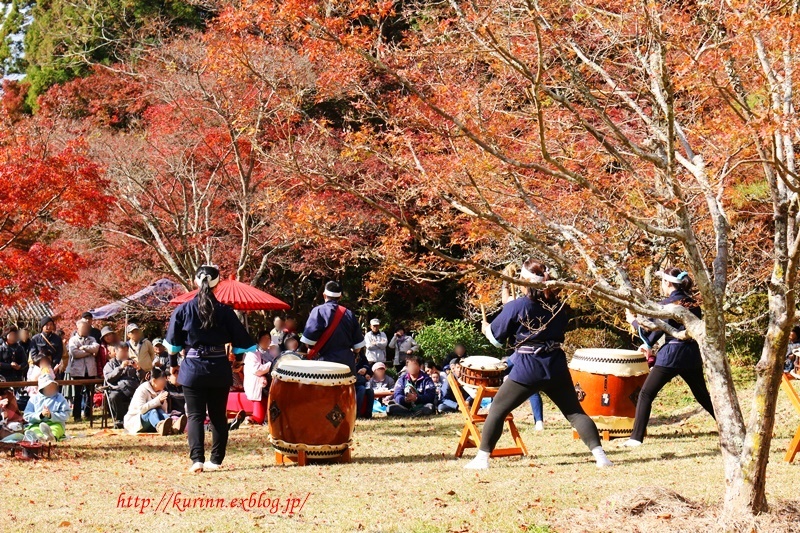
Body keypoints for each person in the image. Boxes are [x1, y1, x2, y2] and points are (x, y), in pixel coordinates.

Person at [466, 259, 612, 469]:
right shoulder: (559, 307)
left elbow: (497, 340)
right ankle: (601, 457)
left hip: (528, 366)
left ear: (525, 281)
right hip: (556, 364)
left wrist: (486, 328)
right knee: (575, 412)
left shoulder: (517, 306)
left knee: (497, 408)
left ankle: (481, 459)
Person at [165, 265, 256, 473]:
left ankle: (196, 459)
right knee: (217, 415)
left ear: (195, 282)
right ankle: (216, 460)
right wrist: (239, 360)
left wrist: (173, 367)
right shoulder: (225, 311)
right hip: (218, 368)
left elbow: (172, 345)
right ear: (218, 284)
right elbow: (241, 341)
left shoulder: (183, 310)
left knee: (195, 415)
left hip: (192, 368)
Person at [623, 268, 716, 448]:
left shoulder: (668, 304)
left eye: (662, 282)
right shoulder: (693, 304)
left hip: (672, 355)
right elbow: (664, 327)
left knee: (646, 394)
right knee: (702, 395)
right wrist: (648, 345)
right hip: (692, 355)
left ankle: (635, 438)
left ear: (667, 283)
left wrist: (633, 321)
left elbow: (653, 327)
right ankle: (726, 424)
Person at [300, 281, 366, 373]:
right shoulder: (349, 314)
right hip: (346, 365)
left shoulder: (318, 311)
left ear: (324, 295)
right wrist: (353, 355)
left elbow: (308, 342)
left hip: (324, 364)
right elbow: (358, 347)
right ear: (340, 297)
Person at [124, 367, 186, 435]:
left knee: (159, 410)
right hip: (136, 422)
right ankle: (160, 426)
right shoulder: (142, 389)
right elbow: (141, 410)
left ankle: (173, 424)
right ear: (154, 380)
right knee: (153, 411)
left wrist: (162, 402)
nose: (164, 383)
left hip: (152, 422)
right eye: (162, 380)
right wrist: (158, 400)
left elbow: (164, 412)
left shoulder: (162, 392)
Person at [66, 317, 100, 422]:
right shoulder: (73, 340)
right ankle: (76, 415)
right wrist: (89, 352)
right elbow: (74, 353)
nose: (85, 330)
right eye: (83, 328)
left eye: (87, 328)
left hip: (90, 370)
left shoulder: (92, 339)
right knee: (77, 394)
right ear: (78, 328)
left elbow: (96, 348)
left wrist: (84, 348)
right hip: (78, 370)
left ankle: (88, 414)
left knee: (90, 394)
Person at [103, 343, 140, 429]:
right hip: (118, 390)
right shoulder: (110, 364)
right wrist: (121, 367)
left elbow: (141, 379)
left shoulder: (132, 362)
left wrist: (139, 369)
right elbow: (109, 378)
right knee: (114, 396)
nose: (125, 354)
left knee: (142, 394)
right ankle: (120, 420)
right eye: (122, 351)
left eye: (126, 351)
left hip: (132, 389)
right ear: (115, 352)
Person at [23, 375, 69, 442]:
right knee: (34, 429)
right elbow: (26, 415)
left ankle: (52, 437)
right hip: (36, 424)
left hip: (55, 423)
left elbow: (66, 414)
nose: (51, 389)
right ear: (42, 388)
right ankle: (38, 438)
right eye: (48, 387)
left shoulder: (60, 398)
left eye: (53, 387)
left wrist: (51, 415)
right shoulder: (33, 399)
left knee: (56, 428)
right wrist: (40, 415)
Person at [243, 330, 276, 425]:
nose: (266, 341)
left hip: (268, 385)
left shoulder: (270, 352)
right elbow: (257, 370)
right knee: (259, 418)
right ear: (258, 340)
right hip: (258, 387)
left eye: (268, 339)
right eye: (264, 339)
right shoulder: (252, 353)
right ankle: (249, 419)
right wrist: (273, 364)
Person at [354, 351, 374, 419]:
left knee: (370, 391)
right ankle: (356, 414)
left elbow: (367, 365)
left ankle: (368, 414)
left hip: (361, 381)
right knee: (361, 389)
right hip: (352, 382)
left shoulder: (361, 355)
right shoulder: (346, 354)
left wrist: (366, 371)